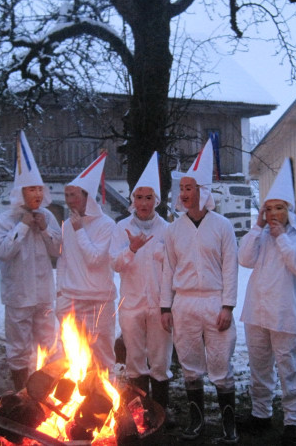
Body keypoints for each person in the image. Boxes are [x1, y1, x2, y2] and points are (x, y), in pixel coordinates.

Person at [160, 139, 239, 443]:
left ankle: (229, 426)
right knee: (190, 364)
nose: (183, 193)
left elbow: (230, 268)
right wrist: (166, 307)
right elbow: (168, 269)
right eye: (181, 188)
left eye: (189, 188)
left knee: (220, 363)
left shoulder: (222, 226)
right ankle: (197, 422)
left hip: (215, 302)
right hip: (184, 304)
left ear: (203, 191)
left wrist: (227, 306)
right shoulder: (174, 229)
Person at [238, 157, 296, 444]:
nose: (273, 213)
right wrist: (257, 228)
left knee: (290, 370)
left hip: (286, 316)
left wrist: (281, 237)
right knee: (259, 369)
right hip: (257, 313)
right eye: (268, 208)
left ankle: (295, 421)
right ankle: (261, 414)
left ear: (289, 210)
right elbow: (244, 259)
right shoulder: (259, 237)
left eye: (279, 208)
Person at [0, 131, 62, 391]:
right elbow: (2, 252)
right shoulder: (5, 220)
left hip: (43, 295)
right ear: (20, 192)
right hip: (18, 296)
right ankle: (21, 394)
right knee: (18, 348)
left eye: (39, 189)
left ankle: (50, 393)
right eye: (31, 189)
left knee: (50, 345)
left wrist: (44, 229)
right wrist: (22, 226)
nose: (37, 193)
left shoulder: (48, 217)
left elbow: (58, 250)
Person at [109, 152, 172, 409]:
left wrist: (168, 305)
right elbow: (115, 264)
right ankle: (138, 413)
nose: (143, 203)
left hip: (159, 306)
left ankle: (160, 412)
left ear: (156, 200)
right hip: (132, 305)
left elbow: (173, 269)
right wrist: (132, 249)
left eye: (148, 198)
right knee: (135, 360)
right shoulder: (121, 227)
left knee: (160, 361)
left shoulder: (167, 229)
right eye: (139, 197)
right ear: (132, 200)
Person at [55, 151, 117, 375]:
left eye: (73, 195)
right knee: (72, 357)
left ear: (87, 196)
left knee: (102, 357)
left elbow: (95, 259)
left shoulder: (107, 225)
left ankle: (106, 395)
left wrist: (80, 230)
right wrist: (60, 292)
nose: (69, 200)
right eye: (66, 195)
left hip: (99, 301)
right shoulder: (67, 224)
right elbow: (63, 260)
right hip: (71, 299)